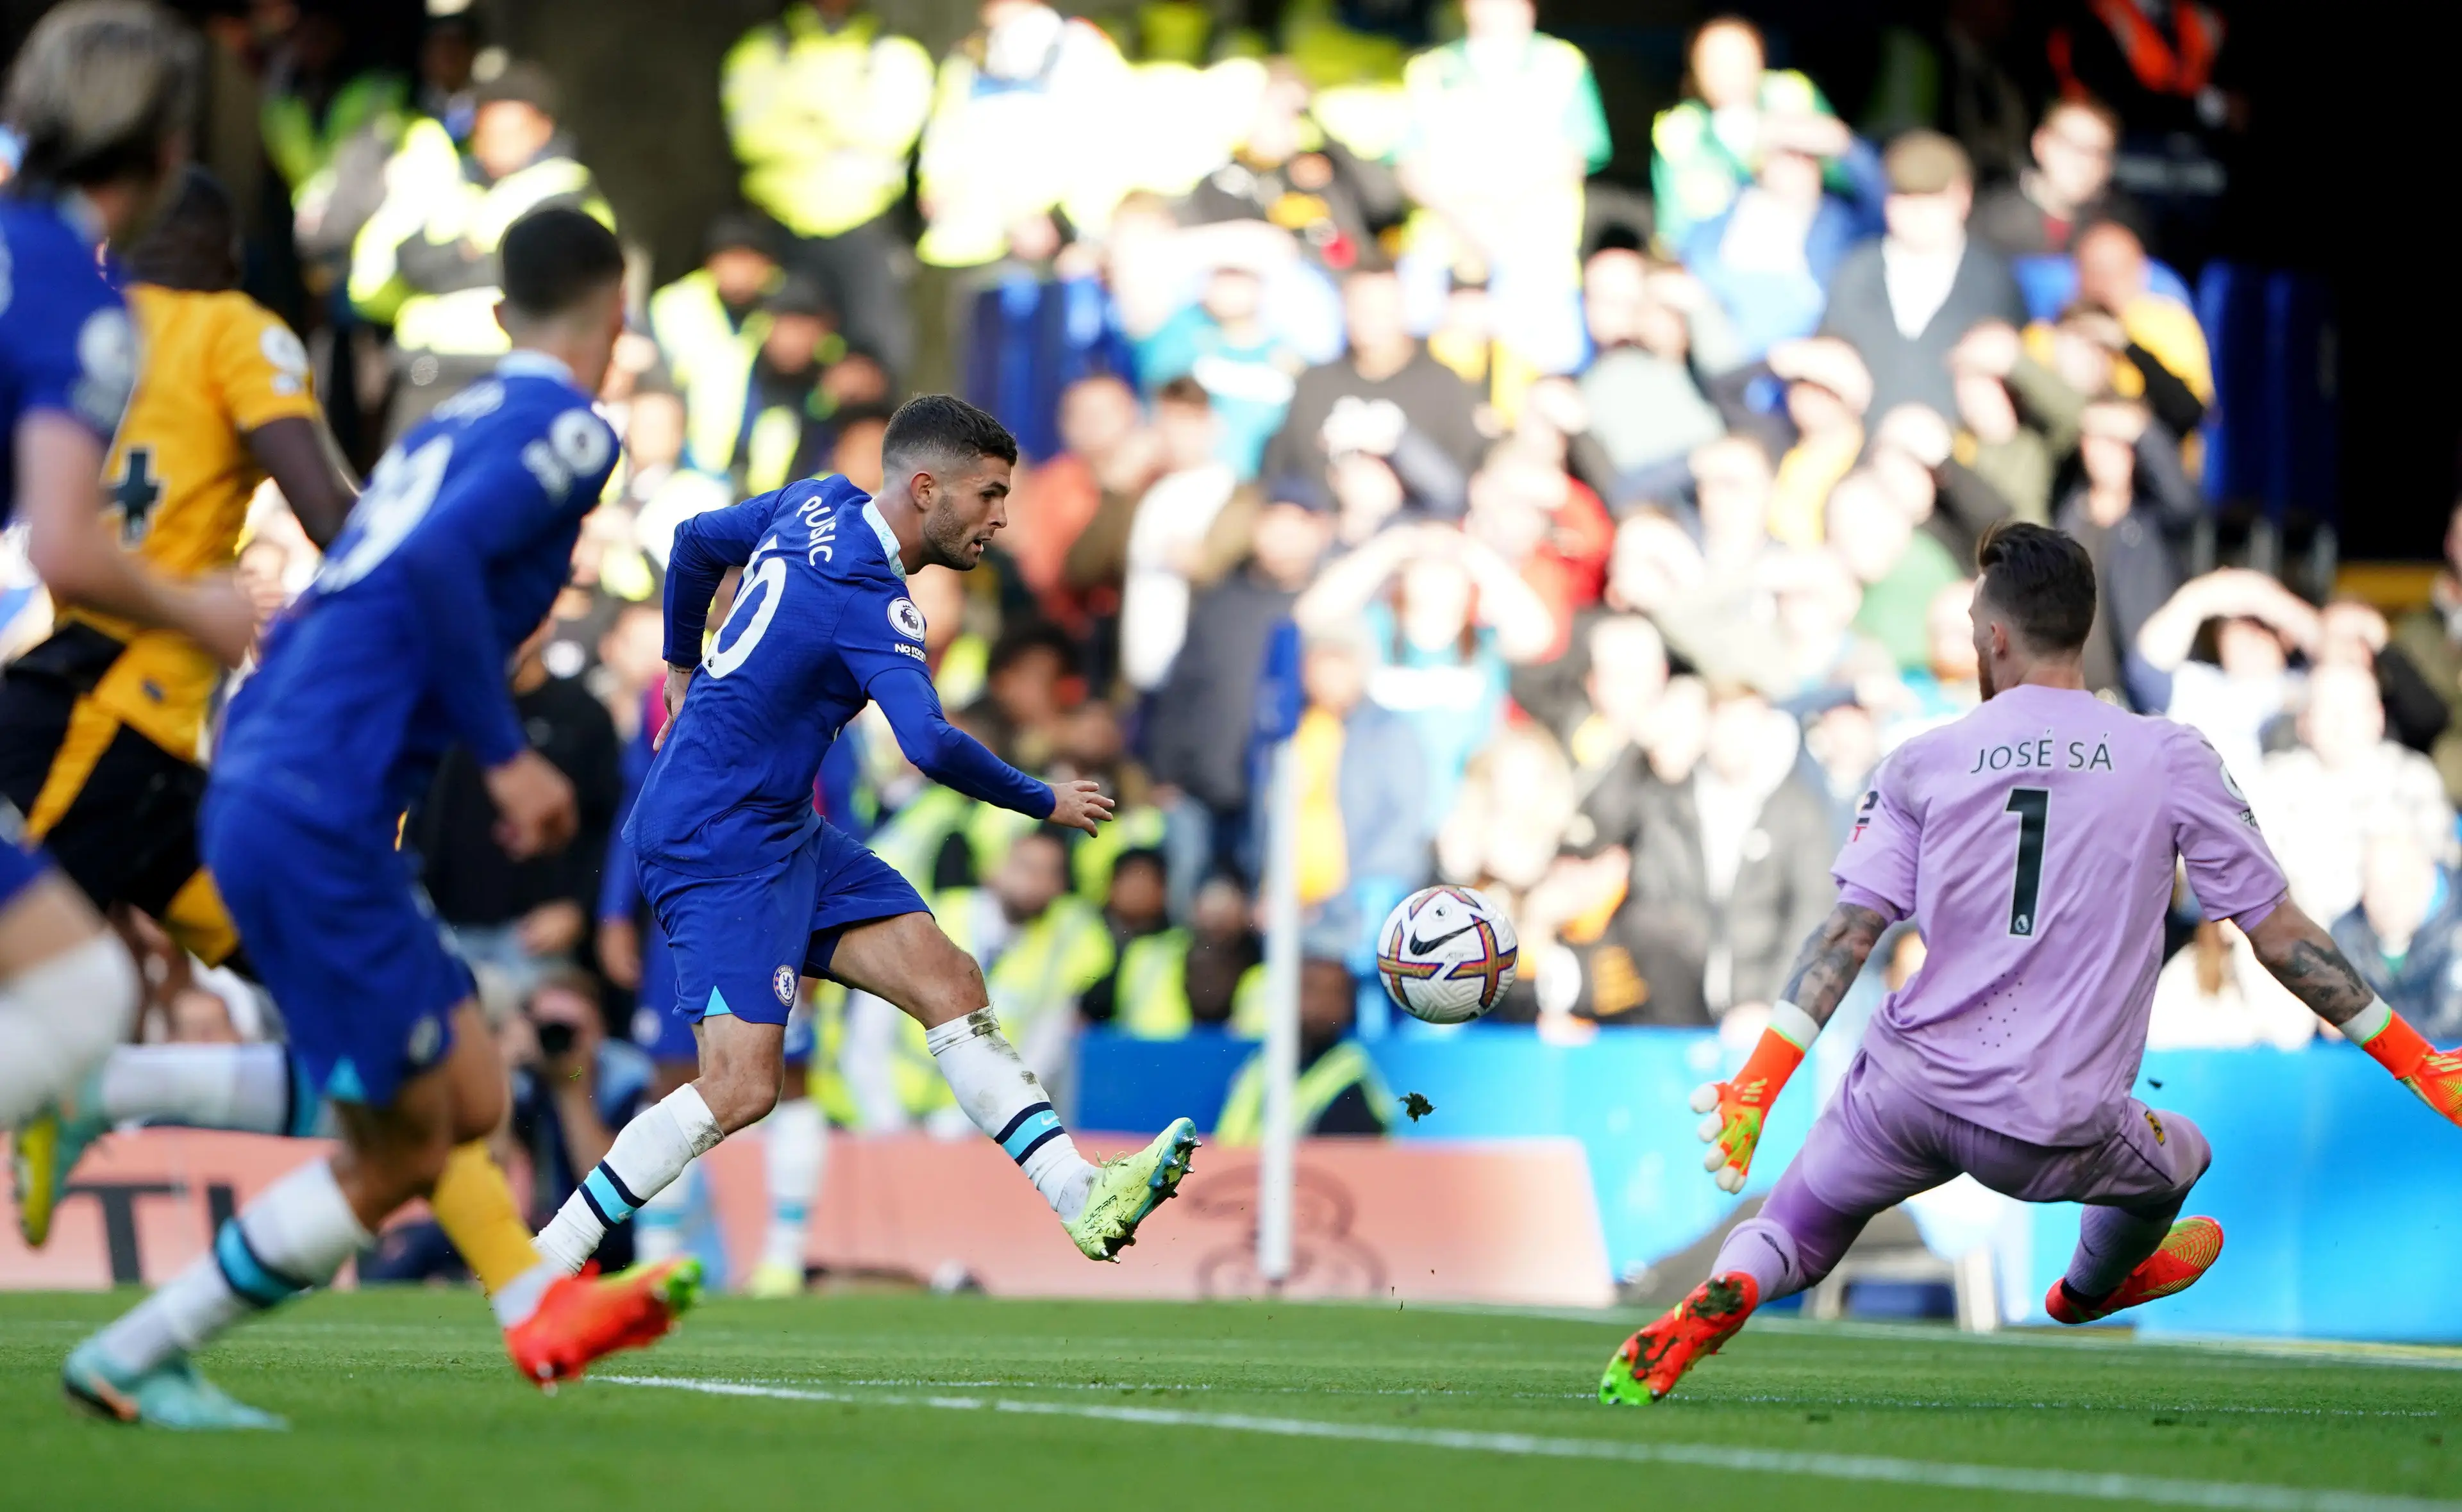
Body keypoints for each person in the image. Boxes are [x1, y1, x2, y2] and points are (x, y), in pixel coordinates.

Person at [62, 210, 698, 1427]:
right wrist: (506, 760)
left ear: (503, 315)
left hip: (287, 777)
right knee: (409, 1137)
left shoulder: (447, 420)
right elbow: (441, 570)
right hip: (316, 796)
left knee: (464, 1096)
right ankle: (136, 1348)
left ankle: (530, 1304)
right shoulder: (572, 428)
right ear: (618, 316)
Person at [1600, 523, 2462, 1406]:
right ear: (2081, 629)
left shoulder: (1921, 760)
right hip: (2052, 1112)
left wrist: (1759, 1081)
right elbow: (2277, 934)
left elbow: (1848, 933)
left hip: (1908, 1083)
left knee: (1793, 1226)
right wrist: (2416, 1056)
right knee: (2180, 1155)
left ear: (1996, 636)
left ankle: (1735, 1287)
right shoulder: (2170, 755)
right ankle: (2092, 1287)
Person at [529, 395, 1200, 1279]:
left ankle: (1081, 1194)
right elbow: (928, 743)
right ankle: (545, 1259)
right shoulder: (871, 600)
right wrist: (1043, 799)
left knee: (948, 977)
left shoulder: (813, 498)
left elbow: (694, 541)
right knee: (741, 1086)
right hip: (716, 837)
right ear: (927, 489)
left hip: (777, 825)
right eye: (990, 495)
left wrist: (681, 668)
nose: (1002, 518)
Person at [1, 3, 256, 1200]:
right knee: (82, 994)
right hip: (109, 695)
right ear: (163, 153)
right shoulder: (78, 299)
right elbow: (68, 547)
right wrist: (199, 606)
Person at [382, 62, 614, 434]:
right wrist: (467, 255)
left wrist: (454, 255)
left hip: (498, 367)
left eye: (511, 131)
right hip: (425, 370)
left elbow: (534, 271)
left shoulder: (564, 188)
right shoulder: (457, 183)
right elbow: (409, 259)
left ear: (542, 129)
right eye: (487, 132)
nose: (496, 143)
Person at [721, 0, 935, 382]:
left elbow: (891, 135)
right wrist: (845, 131)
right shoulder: (759, 50)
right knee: (782, 360)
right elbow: (751, 138)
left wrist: (801, 121)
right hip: (780, 228)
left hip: (865, 230)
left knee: (872, 369)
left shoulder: (896, 54)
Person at [1817, 131, 2024, 422]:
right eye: (1905, 197)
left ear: (1962, 197)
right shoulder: (1855, 271)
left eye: (1931, 198)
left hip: (1962, 462)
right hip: (1866, 458)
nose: (1918, 212)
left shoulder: (1994, 280)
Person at [1215, 956, 1390, 1143]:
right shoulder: (1260, 1064)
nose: (1312, 1004)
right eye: (1305, 989)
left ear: (1346, 1005)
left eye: (1327, 993)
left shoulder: (1352, 1083)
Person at [1970, 99, 2132, 258]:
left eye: (2097, 153)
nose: (2083, 164)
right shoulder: (1990, 221)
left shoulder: (2123, 228)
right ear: (2041, 144)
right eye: (2071, 146)